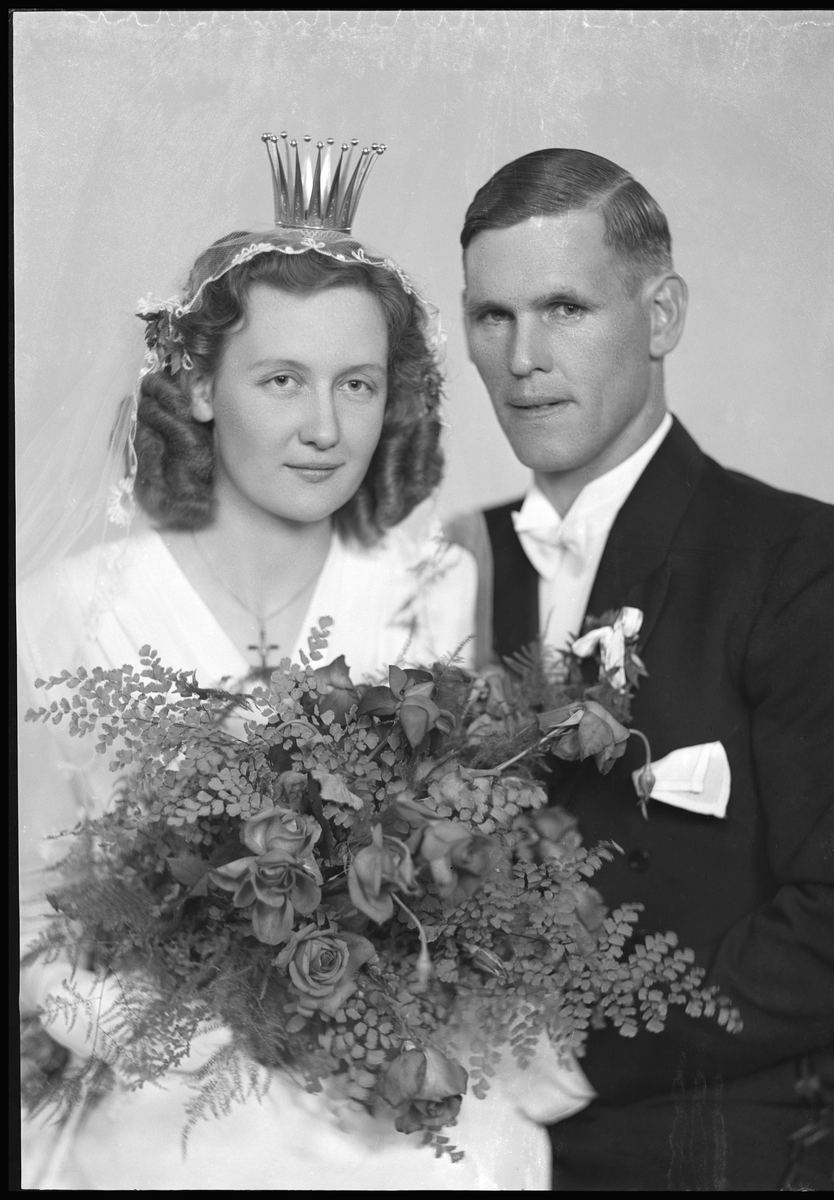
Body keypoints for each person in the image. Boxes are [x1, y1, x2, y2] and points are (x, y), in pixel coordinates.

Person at [17, 139, 592, 1189]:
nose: (325, 429)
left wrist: (390, 1023)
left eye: (357, 385)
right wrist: (182, 1036)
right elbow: (30, 911)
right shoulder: (66, 614)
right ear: (198, 384)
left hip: (379, 1076)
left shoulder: (435, 587)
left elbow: (467, 867)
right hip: (160, 1080)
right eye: (281, 380)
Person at [449, 148, 834, 1191]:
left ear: (660, 315)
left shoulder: (803, 563)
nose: (522, 358)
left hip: (727, 1139)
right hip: (468, 1140)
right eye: (491, 316)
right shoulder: (447, 567)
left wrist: (579, 1051)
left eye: (564, 308)